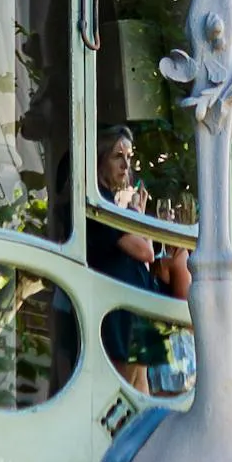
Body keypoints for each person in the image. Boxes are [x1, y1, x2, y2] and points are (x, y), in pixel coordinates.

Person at [87, 124, 191, 392]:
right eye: (117, 156)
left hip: (137, 311)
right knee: (123, 394)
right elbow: (145, 251)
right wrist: (138, 217)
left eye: (129, 158)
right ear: (100, 160)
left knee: (140, 390)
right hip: (121, 315)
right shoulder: (101, 207)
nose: (125, 165)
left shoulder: (112, 205)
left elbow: (144, 254)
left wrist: (138, 215)